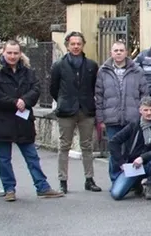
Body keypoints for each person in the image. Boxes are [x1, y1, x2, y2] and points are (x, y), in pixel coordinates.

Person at [0, 41, 65, 201]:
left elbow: (36, 89)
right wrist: (14, 102)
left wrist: (24, 101)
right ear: (3, 53)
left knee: (32, 157)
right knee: (4, 159)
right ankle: (9, 189)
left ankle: (43, 187)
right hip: (2, 121)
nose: (13, 56)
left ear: (20, 54)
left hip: (23, 121)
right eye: (9, 53)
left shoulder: (28, 71)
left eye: (16, 53)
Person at [50, 31, 101, 194]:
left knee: (87, 146)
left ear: (83, 45)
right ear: (67, 45)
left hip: (86, 110)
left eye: (79, 44)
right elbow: (53, 89)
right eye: (73, 44)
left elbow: (94, 87)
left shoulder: (92, 65)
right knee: (64, 146)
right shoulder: (58, 65)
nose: (76, 46)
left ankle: (89, 179)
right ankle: (63, 181)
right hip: (66, 110)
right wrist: (64, 101)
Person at [95, 41, 148, 182]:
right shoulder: (103, 71)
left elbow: (144, 95)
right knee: (114, 152)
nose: (118, 53)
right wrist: (100, 119)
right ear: (111, 53)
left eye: (121, 50)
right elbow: (99, 96)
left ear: (126, 52)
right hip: (111, 118)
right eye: (116, 50)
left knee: (131, 151)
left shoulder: (137, 71)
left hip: (132, 119)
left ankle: (131, 182)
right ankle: (115, 179)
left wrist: (142, 115)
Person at [108, 96, 151, 201]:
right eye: (145, 110)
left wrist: (143, 157)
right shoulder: (134, 125)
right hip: (134, 166)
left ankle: (150, 184)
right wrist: (121, 162)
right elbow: (113, 142)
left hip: (150, 163)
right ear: (140, 110)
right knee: (116, 194)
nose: (149, 113)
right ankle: (136, 183)